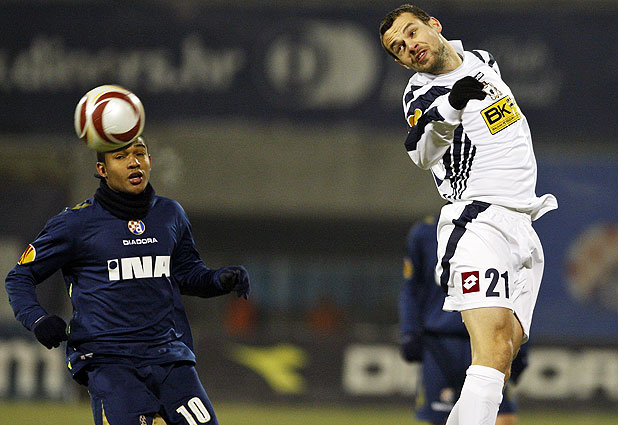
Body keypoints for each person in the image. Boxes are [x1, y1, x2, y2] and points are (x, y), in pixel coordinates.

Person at [379, 5, 557, 424]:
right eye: (398, 48)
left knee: (501, 358)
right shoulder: (423, 94)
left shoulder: (483, 62)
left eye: (411, 32)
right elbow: (421, 151)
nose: (409, 46)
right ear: (401, 63)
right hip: (478, 222)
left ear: (434, 25)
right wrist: (453, 104)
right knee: (492, 348)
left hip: (523, 224)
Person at [5, 136, 250, 425]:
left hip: (170, 359)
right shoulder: (75, 223)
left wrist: (218, 280)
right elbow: (20, 277)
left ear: (150, 161)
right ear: (102, 169)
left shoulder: (170, 214)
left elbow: (187, 275)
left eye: (140, 154)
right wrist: (37, 319)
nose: (134, 162)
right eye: (121, 157)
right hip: (111, 363)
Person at [400, 215, 528, 425]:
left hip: (487, 336)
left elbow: (515, 290)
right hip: (439, 341)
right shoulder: (425, 232)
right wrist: (409, 331)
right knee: (441, 418)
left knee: (501, 418)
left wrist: (521, 344)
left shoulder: (498, 227)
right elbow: (411, 288)